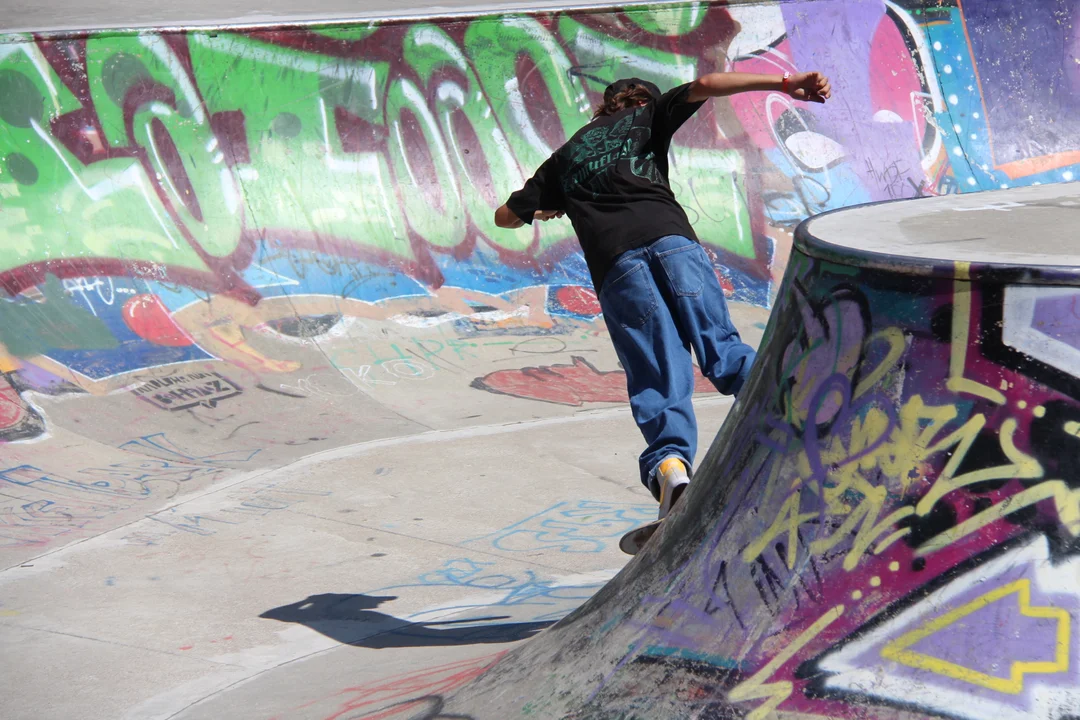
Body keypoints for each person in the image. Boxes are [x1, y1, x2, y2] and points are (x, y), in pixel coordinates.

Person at [494, 71, 832, 523]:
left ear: (603, 107)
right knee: (721, 347)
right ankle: (796, 409)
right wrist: (784, 83)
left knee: (658, 373)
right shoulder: (649, 116)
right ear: (642, 102)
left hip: (617, 267)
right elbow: (708, 81)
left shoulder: (566, 155)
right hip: (673, 243)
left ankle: (671, 465)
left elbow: (503, 218)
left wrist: (541, 206)